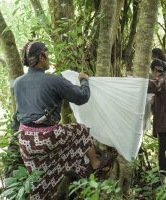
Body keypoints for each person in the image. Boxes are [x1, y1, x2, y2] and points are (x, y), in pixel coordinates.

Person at [13, 41, 112, 199]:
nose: (49, 58)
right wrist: (84, 80)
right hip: (46, 137)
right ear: (42, 56)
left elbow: (17, 115)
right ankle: (95, 164)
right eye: (47, 54)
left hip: (25, 141)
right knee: (80, 130)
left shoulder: (17, 83)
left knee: (39, 182)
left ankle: (62, 182)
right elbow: (82, 97)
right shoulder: (52, 80)